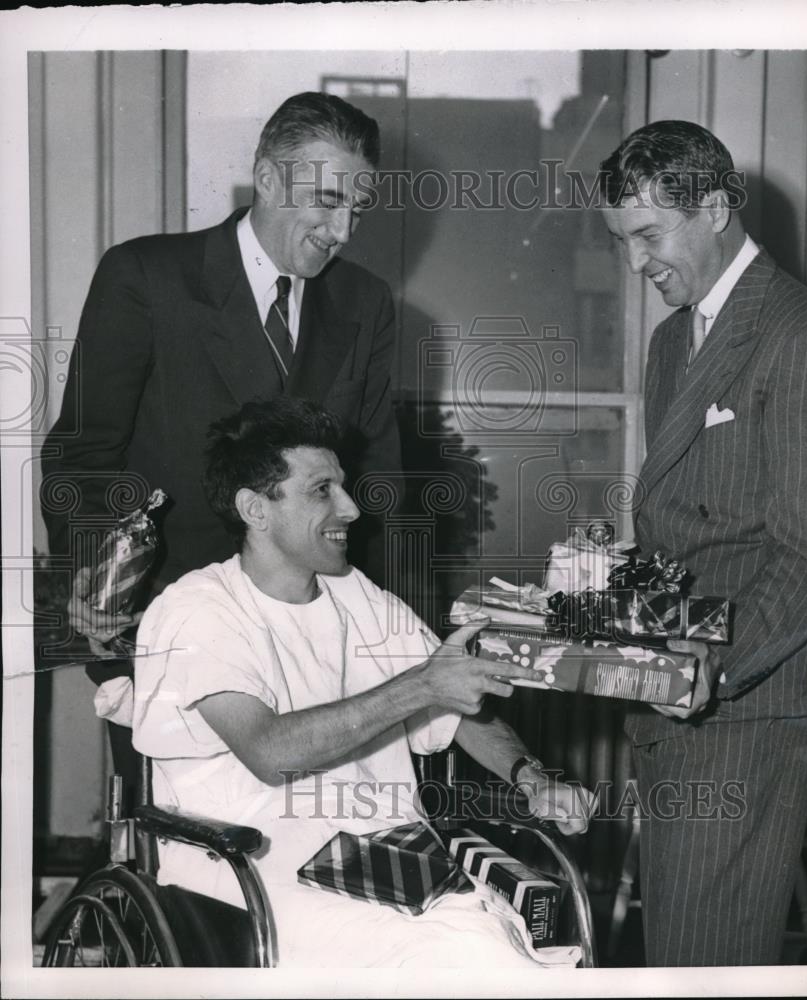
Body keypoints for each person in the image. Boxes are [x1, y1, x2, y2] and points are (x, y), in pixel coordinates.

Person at [130, 396, 590, 967]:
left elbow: (459, 702)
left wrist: (530, 776)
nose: (350, 508)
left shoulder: (360, 596)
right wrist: (421, 686)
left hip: (386, 855)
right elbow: (271, 752)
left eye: (343, 486)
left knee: (497, 941)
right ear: (255, 509)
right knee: (460, 955)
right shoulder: (198, 609)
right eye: (322, 489)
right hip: (252, 864)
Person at [40, 92, 401, 793]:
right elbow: (84, 455)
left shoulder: (365, 304)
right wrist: (95, 575)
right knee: (190, 866)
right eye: (327, 201)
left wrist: (395, 637)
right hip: (169, 626)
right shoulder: (146, 277)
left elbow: (379, 479)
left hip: (312, 638)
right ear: (266, 178)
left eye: (359, 208)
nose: (344, 229)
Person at [597, 120, 807, 966]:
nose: (637, 263)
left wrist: (709, 661)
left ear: (714, 208)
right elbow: (676, 519)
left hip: (748, 700)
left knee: (707, 956)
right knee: (676, 942)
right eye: (624, 240)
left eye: (649, 235)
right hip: (672, 692)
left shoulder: (806, 335)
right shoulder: (674, 338)